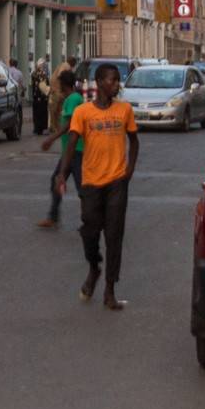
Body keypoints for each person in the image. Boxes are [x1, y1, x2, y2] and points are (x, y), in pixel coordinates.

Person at [67, 62, 139, 309]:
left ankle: (110, 290)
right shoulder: (83, 112)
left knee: (114, 237)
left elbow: (134, 141)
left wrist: (129, 171)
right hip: (91, 182)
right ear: (99, 83)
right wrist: (61, 176)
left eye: (118, 80)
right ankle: (94, 267)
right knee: (89, 229)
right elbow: (71, 144)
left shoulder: (125, 110)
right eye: (112, 80)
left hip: (117, 182)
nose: (116, 84)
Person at [36, 69, 83, 230]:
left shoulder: (73, 99)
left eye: (59, 83)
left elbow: (70, 124)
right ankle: (53, 217)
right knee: (57, 180)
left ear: (64, 84)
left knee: (81, 187)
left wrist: (51, 138)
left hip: (76, 150)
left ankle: (91, 217)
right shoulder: (72, 98)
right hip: (69, 151)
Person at [29, 59, 53, 136]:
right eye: (42, 65)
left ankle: (38, 128)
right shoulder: (42, 74)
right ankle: (41, 128)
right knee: (42, 112)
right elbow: (45, 84)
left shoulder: (36, 74)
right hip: (41, 96)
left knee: (38, 113)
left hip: (38, 97)